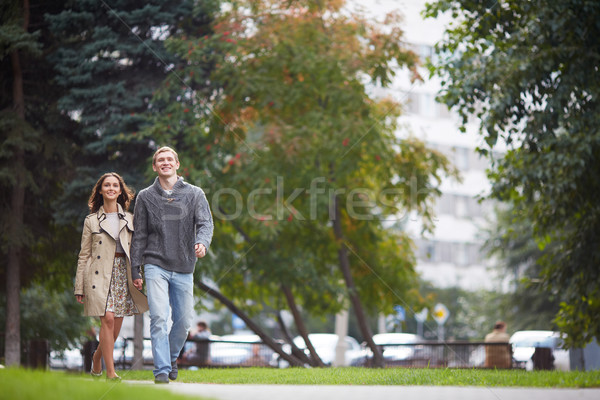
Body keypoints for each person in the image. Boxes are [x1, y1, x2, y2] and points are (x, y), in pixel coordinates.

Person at [131, 146, 213, 384]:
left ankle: (172, 356)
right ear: (155, 167)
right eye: (160, 160)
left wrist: (202, 243)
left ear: (177, 165)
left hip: (185, 266)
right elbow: (139, 236)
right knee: (158, 316)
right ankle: (162, 371)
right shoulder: (145, 196)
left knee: (184, 321)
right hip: (155, 263)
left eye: (169, 159)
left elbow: (206, 224)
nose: (165, 162)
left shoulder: (195, 193)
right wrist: (136, 268)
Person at [74, 172, 149, 381]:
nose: (111, 188)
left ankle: (96, 358)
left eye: (115, 185)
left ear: (120, 190)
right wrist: (79, 286)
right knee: (106, 320)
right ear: (100, 190)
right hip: (98, 274)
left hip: (121, 273)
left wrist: (137, 273)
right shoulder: (91, 221)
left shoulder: (130, 219)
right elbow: (84, 255)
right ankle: (110, 373)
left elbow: (135, 250)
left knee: (113, 331)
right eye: (107, 185)